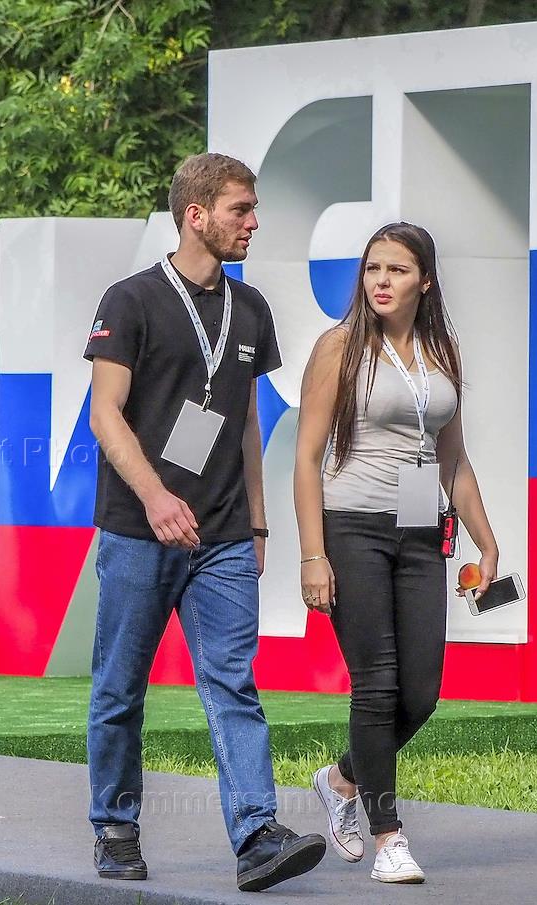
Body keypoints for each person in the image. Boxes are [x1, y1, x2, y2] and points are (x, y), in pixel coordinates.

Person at [84, 153, 326, 892]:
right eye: (240, 209)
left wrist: (257, 524)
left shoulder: (250, 309)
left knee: (233, 686)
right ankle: (115, 827)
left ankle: (255, 835)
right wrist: (156, 497)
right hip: (138, 528)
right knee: (120, 687)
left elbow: (246, 421)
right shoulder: (130, 300)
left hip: (222, 536)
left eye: (253, 209)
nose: (253, 222)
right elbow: (105, 415)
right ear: (196, 215)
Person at [294, 222, 499, 884]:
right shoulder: (339, 346)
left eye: (397, 270)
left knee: (423, 692)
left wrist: (487, 540)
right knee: (377, 685)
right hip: (351, 525)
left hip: (420, 527)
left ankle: (340, 779)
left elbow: (452, 457)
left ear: (425, 281)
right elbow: (306, 456)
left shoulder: (442, 351)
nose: (381, 281)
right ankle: (389, 835)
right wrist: (312, 554)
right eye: (373, 268)